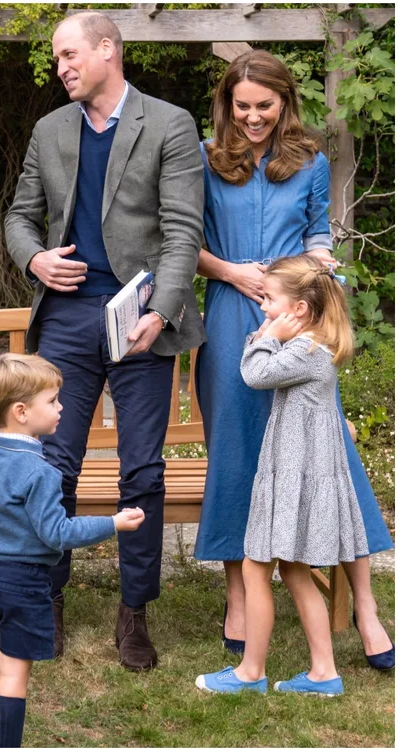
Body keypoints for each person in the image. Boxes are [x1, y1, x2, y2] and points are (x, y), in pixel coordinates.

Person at [4, 11, 204, 669]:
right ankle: (49, 599)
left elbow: (181, 232)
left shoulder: (169, 124)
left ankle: (134, 611)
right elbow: (18, 216)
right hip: (65, 319)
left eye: (68, 55)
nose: (60, 67)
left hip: (140, 318)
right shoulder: (49, 129)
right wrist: (34, 259)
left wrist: (164, 310)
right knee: (52, 467)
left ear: (107, 51)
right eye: (57, 58)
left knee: (141, 470)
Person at [193, 49, 394, 669]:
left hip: (298, 317)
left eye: (265, 106)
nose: (253, 118)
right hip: (231, 315)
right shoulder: (203, 159)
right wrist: (236, 273)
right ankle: (238, 596)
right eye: (242, 106)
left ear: (285, 103)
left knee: (328, 452)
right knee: (236, 450)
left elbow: (318, 232)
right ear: (227, 103)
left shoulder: (308, 160)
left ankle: (365, 607)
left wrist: (315, 263)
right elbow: (186, 242)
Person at [0, 353, 146, 747]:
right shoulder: (41, 473)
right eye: (53, 401)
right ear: (21, 412)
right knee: (14, 672)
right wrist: (114, 524)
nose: (61, 408)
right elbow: (57, 533)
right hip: (23, 583)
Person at [197, 255, 373, 696]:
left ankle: (250, 673)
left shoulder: (306, 350)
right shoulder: (313, 346)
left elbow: (254, 374)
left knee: (257, 569)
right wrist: (271, 333)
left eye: (270, 300)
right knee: (293, 572)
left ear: (299, 309)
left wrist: (266, 336)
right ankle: (323, 673)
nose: (264, 308)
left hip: (296, 479)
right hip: (294, 474)